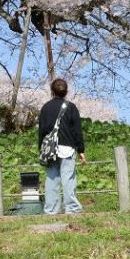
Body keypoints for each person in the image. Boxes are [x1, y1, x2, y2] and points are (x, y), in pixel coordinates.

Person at [38, 78, 85, 215]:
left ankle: (51, 210)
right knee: (68, 179)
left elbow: (41, 131)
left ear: (52, 91)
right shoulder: (71, 107)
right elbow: (77, 131)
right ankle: (72, 209)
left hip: (50, 150)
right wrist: (81, 150)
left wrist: (42, 149)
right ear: (66, 92)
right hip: (67, 148)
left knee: (51, 180)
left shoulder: (46, 108)